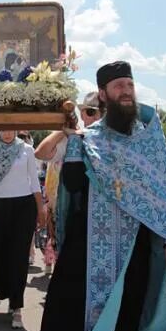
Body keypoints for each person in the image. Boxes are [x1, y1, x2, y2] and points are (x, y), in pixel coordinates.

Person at [31, 61, 166, 331]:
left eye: (129, 84)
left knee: (124, 321)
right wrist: (71, 144)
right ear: (103, 94)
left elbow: (163, 191)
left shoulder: (149, 140)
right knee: (82, 320)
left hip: (134, 247)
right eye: (118, 86)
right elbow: (71, 186)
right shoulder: (90, 138)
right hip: (89, 245)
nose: (126, 91)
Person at [0, 130, 46, 329]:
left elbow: (35, 182)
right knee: (3, 256)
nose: (7, 133)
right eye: (3, 129)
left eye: (11, 129)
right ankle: (10, 295)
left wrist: (40, 209)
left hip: (24, 207)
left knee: (19, 256)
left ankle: (17, 306)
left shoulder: (26, 150)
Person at [34, 91, 100, 275]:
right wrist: (63, 132)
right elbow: (40, 153)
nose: (94, 116)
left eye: (97, 111)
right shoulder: (72, 139)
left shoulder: (113, 139)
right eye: (88, 112)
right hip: (78, 211)